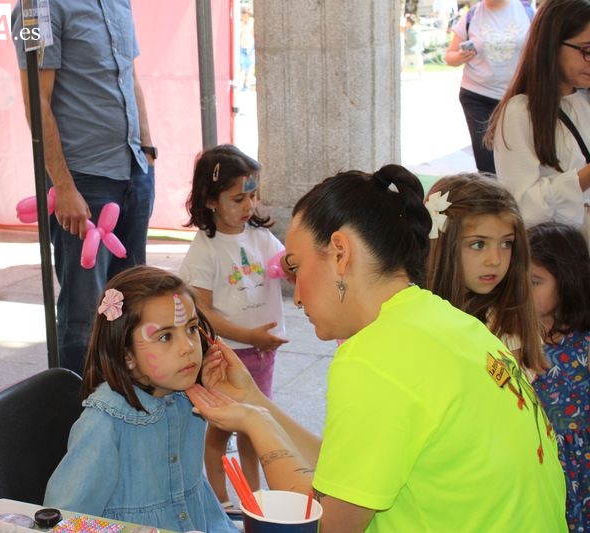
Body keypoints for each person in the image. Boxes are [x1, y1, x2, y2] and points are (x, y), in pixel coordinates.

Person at [188, 164, 567, 532]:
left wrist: (256, 425)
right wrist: (255, 402)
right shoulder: (445, 322)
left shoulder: (377, 355)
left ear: (340, 252)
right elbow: (347, 475)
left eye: (297, 267)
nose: (298, 296)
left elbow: (325, 524)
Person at [11, 0, 156, 375]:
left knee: (130, 298)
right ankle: (79, 411)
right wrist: (63, 185)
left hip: (134, 170)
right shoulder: (37, 7)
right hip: (83, 180)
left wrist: (148, 149)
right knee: (84, 311)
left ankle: (127, 393)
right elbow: (35, 98)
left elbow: (130, 77)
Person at [43, 265, 238, 533]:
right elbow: (65, 520)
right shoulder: (104, 425)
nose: (188, 347)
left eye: (191, 329)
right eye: (166, 336)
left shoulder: (185, 399)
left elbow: (196, 501)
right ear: (127, 355)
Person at [179, 144, 287, 510]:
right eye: (238, 198)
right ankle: (222, 498)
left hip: (262, 353)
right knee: (221, 427)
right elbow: (203, 312)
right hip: (227, 358)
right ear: (210, 200)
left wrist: (294, 266)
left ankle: (254, 497)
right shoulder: (206, 248)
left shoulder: (260, 236)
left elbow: (284, 265)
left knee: (255, 425)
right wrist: (248, 336)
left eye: (253, 196)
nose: (249, 207)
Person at [424, 174, 547, 377]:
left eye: (506, 243)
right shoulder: (411, 308)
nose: (495, 260)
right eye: (478, 244)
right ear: (443, 245)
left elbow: (503, 393)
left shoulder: (507, 325)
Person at [487, 0, 590, 236]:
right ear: (552, 45)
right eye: (587, 50)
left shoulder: (584, 100)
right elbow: (522, 207)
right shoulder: (520, 112)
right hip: (559, 257)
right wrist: (583, 178)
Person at [527, 221, 590, 531]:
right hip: (535, 467)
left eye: (535, 281)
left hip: (579, 473)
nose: (523, 289)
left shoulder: (584, 347)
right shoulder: (512, 337)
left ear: (567, 282)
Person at [444, 0, 533, 173]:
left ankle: (515, 197)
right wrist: (460, 56)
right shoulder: (472, 14)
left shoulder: (526, 11)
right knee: (486, 161)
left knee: (517, 156)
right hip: (477, 95)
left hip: (517, 96)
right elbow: (449, 56)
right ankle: (491, 198)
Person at [239, 7, 255, 90]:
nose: (244, 18)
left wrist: (252, 47)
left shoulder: (252, 23)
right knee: (242, 67)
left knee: (250, 67)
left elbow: (254, 35)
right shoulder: (240, 23)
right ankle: (241, 84)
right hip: (242, 47)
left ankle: (247, 84)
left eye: (245, 16)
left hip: (250, 48)